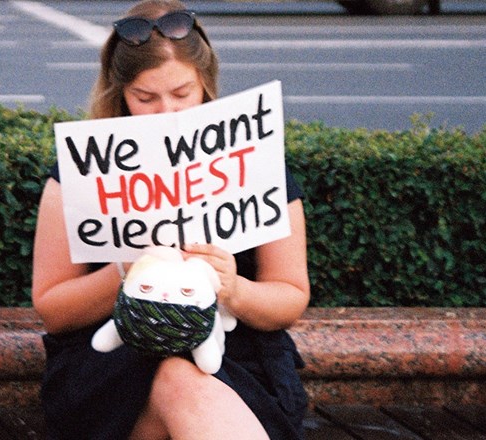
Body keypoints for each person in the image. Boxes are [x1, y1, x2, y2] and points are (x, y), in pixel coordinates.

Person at [31, 1, 310, 439]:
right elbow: (53, 309)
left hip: (236, 361)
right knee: (178, 382)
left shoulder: (257, 162)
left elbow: (290, 296)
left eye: (182, 94)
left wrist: (233, 289)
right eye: (146, 98)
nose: (167, 113)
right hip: (112, 366)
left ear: (206, 84)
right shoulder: (78, 173)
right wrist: (126, 270)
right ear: (119, 93)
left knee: (186, 384)